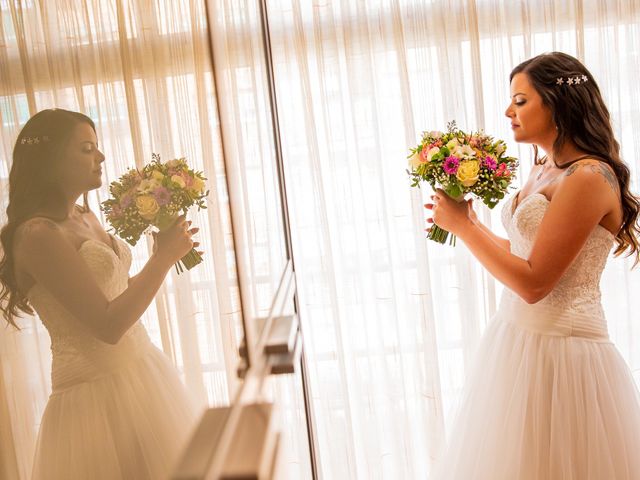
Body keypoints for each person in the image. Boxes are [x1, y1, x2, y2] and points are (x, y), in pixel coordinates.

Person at [425, 52, 640, 479]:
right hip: (518, 338)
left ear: (557, 104)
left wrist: (465, 230)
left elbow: (535, 283)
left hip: (564, 356)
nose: (509, 111)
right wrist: (466, 221)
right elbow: (529, 253)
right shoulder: (544, 167)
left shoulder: (589, 177)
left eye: (521, 101)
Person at [0, 108, 203, 479]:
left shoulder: (85, 216)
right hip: (94, 401)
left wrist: (165, 253)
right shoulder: (37, 235)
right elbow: (108, 326)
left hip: (142, 373)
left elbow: (120, 297)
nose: (101, 157)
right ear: (50, 160)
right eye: (86, 148)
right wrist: (163, 259)